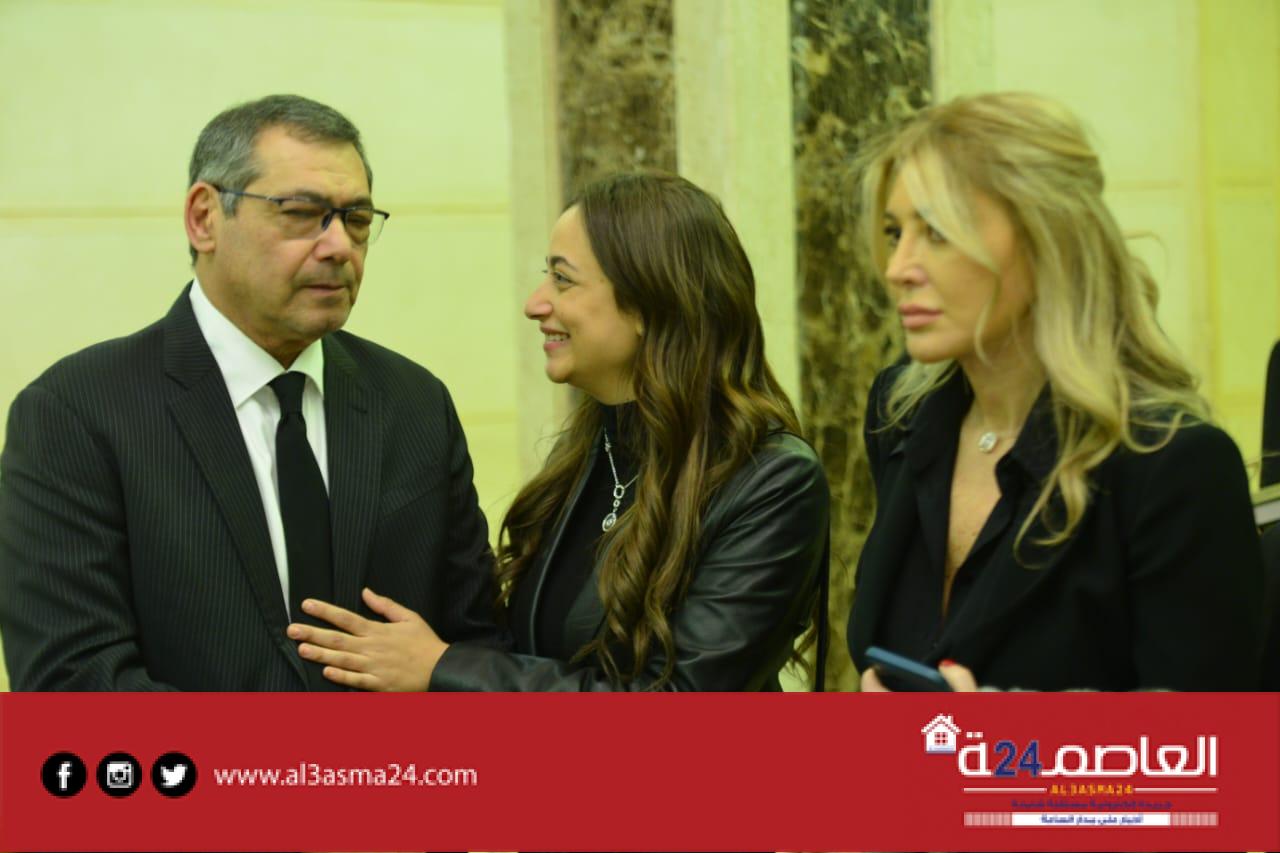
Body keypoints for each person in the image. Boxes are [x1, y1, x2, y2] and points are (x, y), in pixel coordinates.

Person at [0, 94, 498, 691]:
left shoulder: (415, 404)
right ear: (204, 219)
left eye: (358, 220)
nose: (339, 246)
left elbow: (476, 647)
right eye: (301, 213)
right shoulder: (78, 412)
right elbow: (73, 683)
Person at [287, 172, 830, 691]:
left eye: (563, 279)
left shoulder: (772, 481)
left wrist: (443, 669)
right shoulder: (591, 453)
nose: (535, 304)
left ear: (648, 304)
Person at [846, 92, 1266, 692]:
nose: (897, 267)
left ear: (1046, 240)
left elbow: (1216, 744)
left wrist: (1004, 739)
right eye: (895, 232)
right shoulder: (901, 417)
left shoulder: (1173, 467)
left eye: (937, 232)